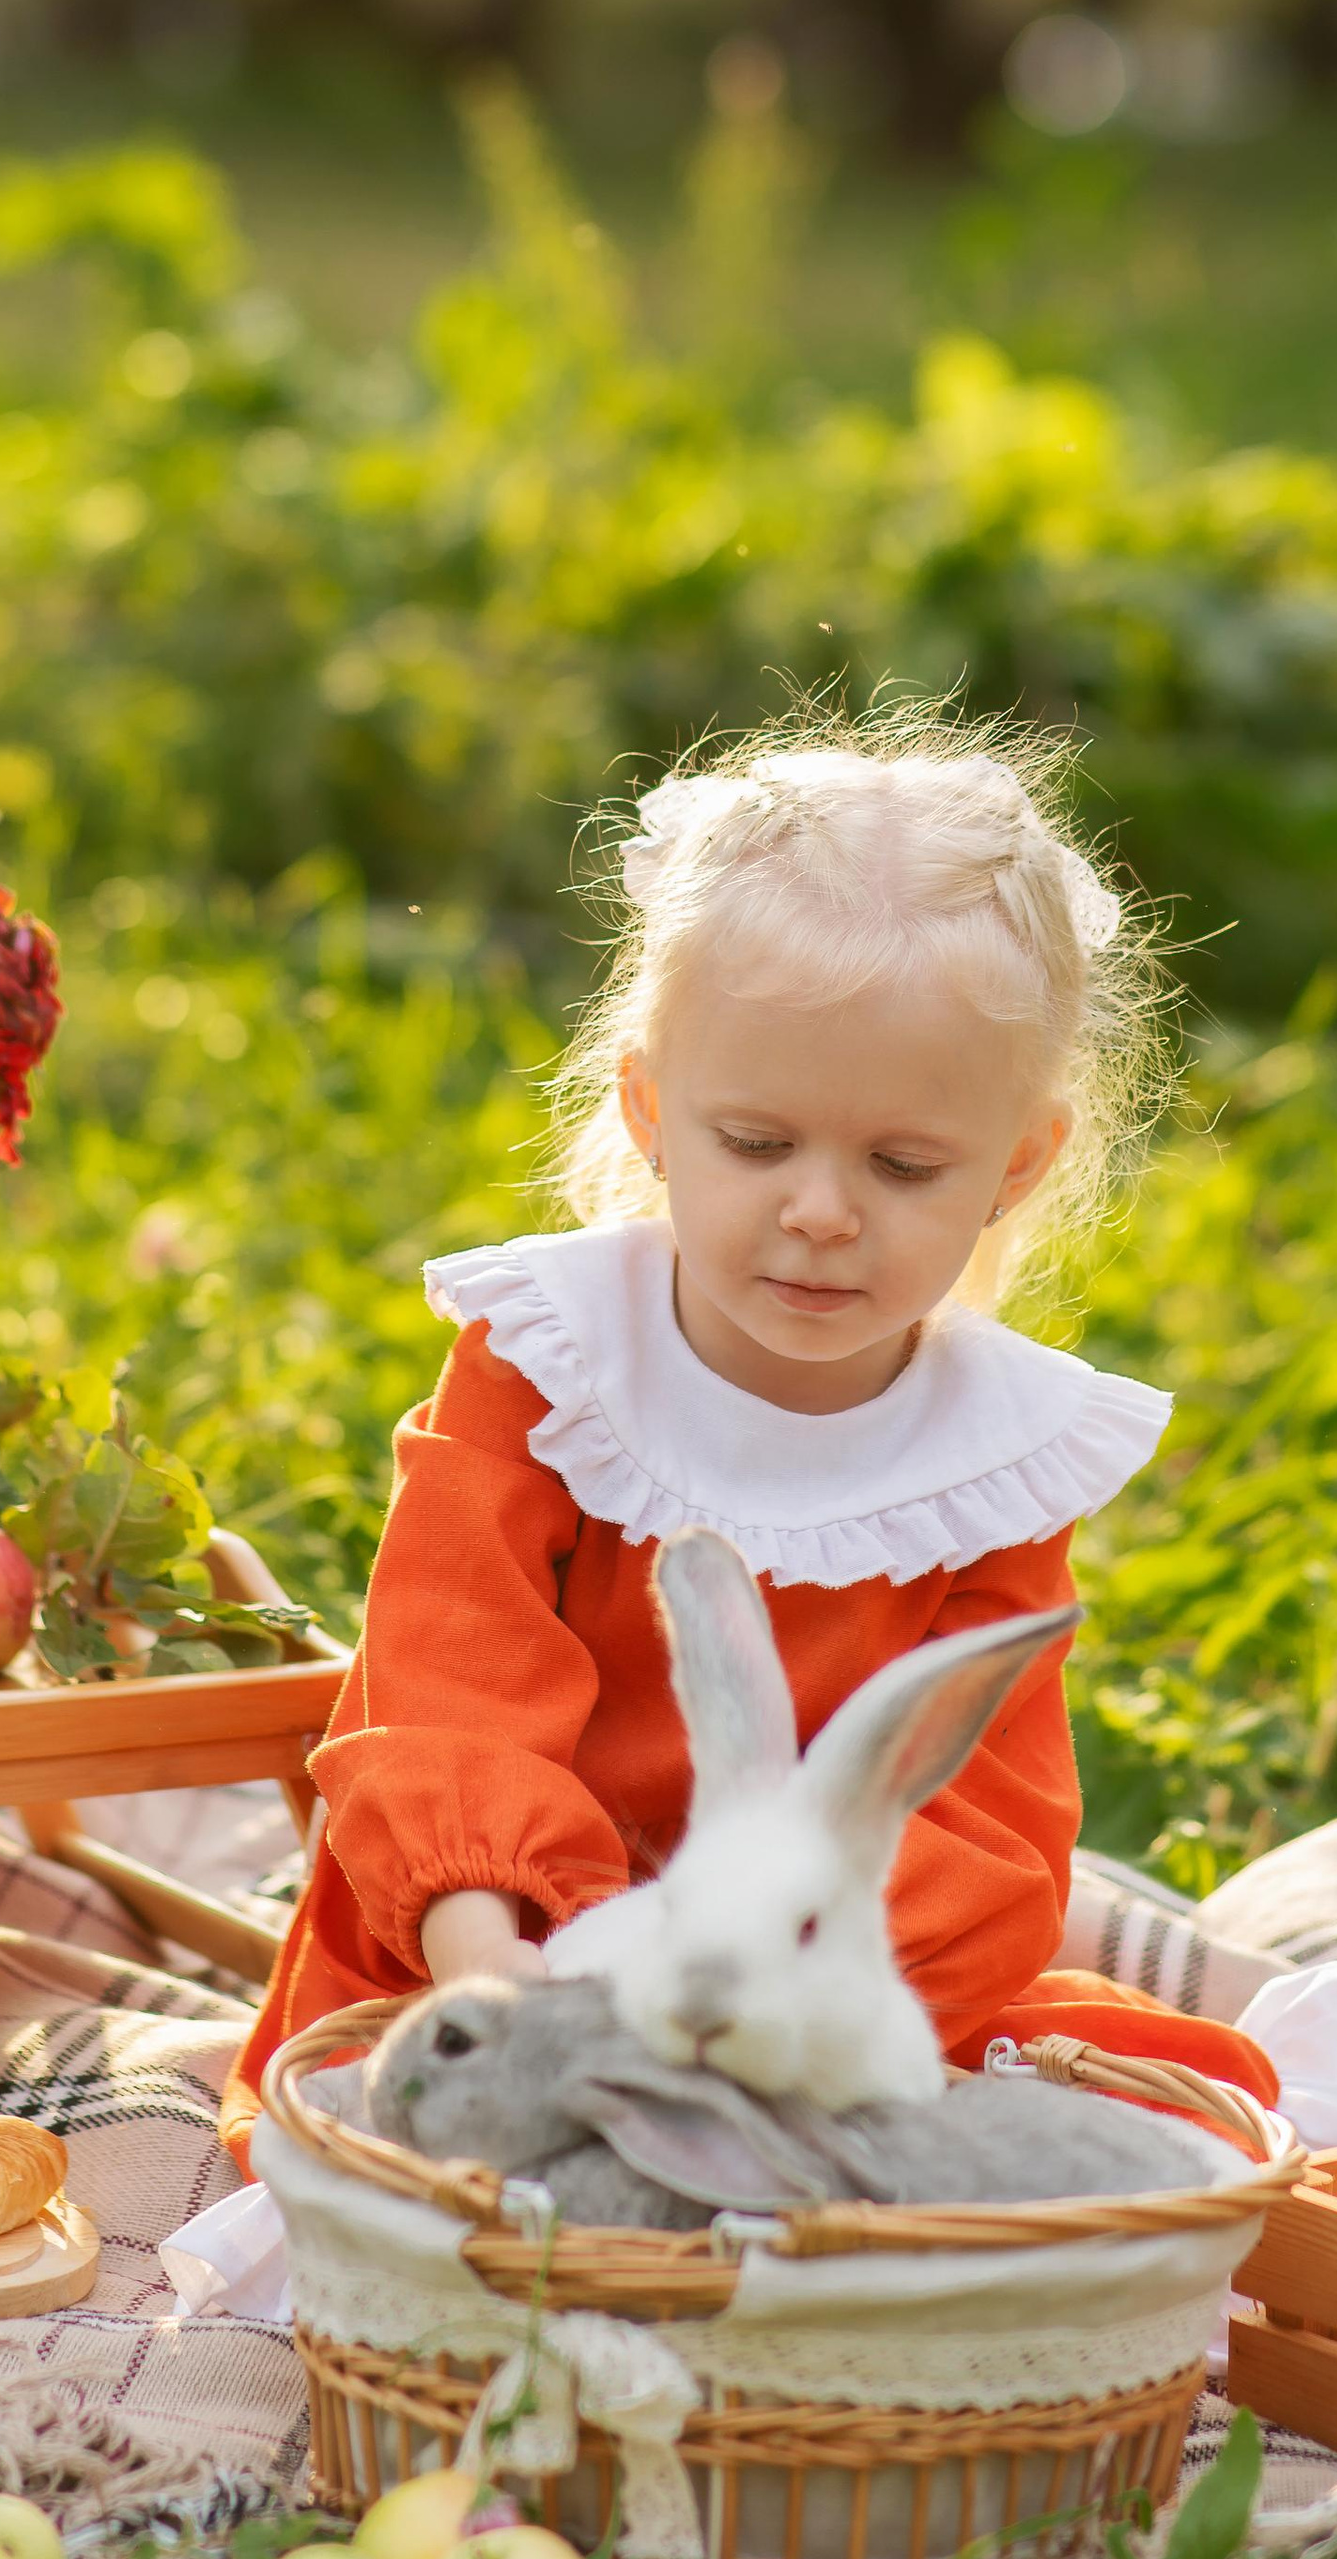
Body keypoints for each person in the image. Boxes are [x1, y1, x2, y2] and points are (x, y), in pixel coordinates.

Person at [220, 721, 1271, 2159]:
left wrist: (776, 2018)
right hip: (500, 1964)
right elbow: (442, 1697)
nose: (823, 1212)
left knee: (1113, 2140)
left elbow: (980, 1826)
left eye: (903, 1166)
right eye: (758, 1145)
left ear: (1016, 1163)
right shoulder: (552, 1365)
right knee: (450, 2178)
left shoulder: (998, 1457)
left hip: (805, 2020)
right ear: (653, 1110)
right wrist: (523, 1973)